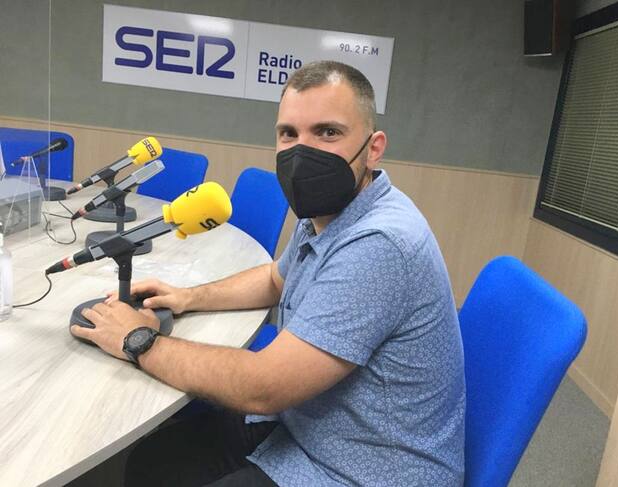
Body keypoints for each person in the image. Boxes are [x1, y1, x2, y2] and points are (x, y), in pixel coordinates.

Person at [71, 60, 466, 486]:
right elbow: (276, 279)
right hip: (311, 429)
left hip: (367, 471)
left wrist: (139, 340)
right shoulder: (330, 212)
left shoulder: (380, 244)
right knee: (156, 463)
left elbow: (263, 388)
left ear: (373, 148)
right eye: (289, 134)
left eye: (327, 132)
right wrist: (188, 297)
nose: (302, 153)